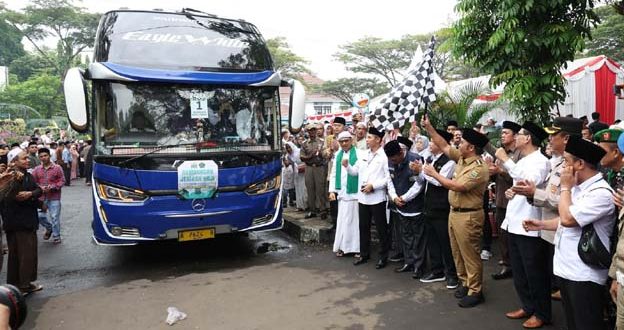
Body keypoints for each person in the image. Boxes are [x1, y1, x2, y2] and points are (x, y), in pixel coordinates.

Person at [524, 136, 614, 330]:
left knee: (586, 324)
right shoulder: (578, 188)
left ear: (580, 164)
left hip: (584, 274)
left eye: (566, 161)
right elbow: (567, 220)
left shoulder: (600, 193)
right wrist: (541, 224)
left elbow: (568, 219)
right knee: (573, 324)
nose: (563, 167)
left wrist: (565, 187)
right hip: (567, 269)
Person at [513, 117, 583, 303]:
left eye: (554, 135)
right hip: (553, 230)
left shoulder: (577, 164)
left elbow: (567, 202)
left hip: (569, 232)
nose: (549, 139)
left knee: (576, 292)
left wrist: (536, 192)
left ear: (566, 138)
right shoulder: (558, 162)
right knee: (560, 283)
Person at [421, 116, 490, 308]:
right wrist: (429, 128)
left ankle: (476, 290)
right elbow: (443, 145)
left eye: (463, 142)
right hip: (455, 213)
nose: (458, 143)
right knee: (458, 252)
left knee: (470, 254)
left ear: (471, 148)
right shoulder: (462, 158)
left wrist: (434, 174)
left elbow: (458, 186)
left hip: (469, 215)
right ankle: (465, 282)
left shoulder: (478, 168)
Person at [495, 122, 551, 328]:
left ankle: (542, 312)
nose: (516, 137)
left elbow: (529, 184)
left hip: (530, 225)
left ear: (528, 138)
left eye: (519, 134)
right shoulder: (525, 160)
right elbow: (518, 183)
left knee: (534, 272)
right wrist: (512, 190)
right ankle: (527, 306)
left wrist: (504, 160)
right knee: (519, 271)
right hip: (515, 222)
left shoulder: (540, 161)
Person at [419, 129, 459, 289]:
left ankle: (452, 274)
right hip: (429, 204)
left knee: (445, 242)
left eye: (434, 141)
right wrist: (420, 171)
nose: (431, 144)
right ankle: (437, 270)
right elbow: (427, 179)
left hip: (442, 206)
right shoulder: (431, 158)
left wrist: (426, 172)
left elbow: (439, 181)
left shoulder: (450, 160)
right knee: (432, 240)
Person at [0, 151, 44, 295]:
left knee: (19, 255)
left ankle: (18, 285)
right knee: (25, 255)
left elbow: (36, 189)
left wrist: (32, 194)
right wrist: (33, 195)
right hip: (19, 222)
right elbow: (16, 197)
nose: (27, 160)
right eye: (24, 158)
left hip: (21, 221)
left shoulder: (26, 175)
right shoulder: (12, 177)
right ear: (14, 161)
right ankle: (23, 286)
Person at [348, 127, 390, 268]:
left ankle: (383, 256)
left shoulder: (384, 157)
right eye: (367, 137)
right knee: (363, 227)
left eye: (370, 137)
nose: (367, 140)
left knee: (381, 228)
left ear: (378, 140)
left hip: (377, 197)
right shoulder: (364, 155)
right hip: (363, 198)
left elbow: (387, 178)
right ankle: (364, 254)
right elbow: (354, 172)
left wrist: (374, 185)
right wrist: (347, 166)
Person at [385, 139, 427, 278]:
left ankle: (419, 266)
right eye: (390, 159)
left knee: (418, 238)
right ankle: (409, 262)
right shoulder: (390, 161)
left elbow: (420, 184)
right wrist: (394, 197)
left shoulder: (415, 160)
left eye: (394, 159)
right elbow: (389, 180)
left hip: (415, 206)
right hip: (400, 205)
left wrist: (405, 198)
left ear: (401, 152)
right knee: (406, 236)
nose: (393, 162)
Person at [489, 121, 522, 280]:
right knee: (503, 236)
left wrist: (500, 171)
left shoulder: (519, 155)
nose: (502, 135)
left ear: (515, 136)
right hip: (501, 200)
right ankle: (507, 265)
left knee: (514, 237)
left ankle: (517, 267)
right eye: (501, 133)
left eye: (505, 133)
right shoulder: (501, 152)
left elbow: (517, 178)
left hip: (515, 202)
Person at [329, 131, 361, 257]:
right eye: (341, 141)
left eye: (346, 141)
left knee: (354, 221)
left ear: (351, 140)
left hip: (354, 194)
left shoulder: (359, 153)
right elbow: (333, 174)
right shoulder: (337, 155)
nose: (344, 143)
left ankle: (356, 248)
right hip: (342, 193)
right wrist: (332, 190)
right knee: (342, 221)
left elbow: (358, 172)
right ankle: (342, 246)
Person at [32, 148, 65, 244]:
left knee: (55, 217)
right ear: (39, 158)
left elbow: (62, 180)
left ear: (49, 156)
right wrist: (40, 187)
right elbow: (34, 182)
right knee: (39, 216)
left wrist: (53, 187)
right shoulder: (37, 169)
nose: (43, 158)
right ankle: (49, 227)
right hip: (41, 197)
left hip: (54, 197)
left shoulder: (57, 168)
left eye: (45, 156)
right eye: (41, 156)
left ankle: (56, 236)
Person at [299, 124, 328, 219]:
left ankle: (323, 209)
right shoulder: (304, 143)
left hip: (319, 167)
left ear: (316, 131)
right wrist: (309, 156)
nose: (312, 132)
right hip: (309, 167)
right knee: (310, 189)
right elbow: (302, 157)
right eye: (310, 130)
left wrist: (321, 154)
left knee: (321, 189)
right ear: (308, 132)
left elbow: (325, 155)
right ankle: (312, 210)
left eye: (314, 130)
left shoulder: (322, 142)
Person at [285, 142, 307, 211]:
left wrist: (303, 167)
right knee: (298, 189)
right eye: (287, 148)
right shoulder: (288, 156)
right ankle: (300, 205)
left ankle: (306, 205)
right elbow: (290, 164)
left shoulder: (299, 151)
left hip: (304, 172)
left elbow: (306, 160)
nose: (288, 149)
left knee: (304, 189)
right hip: (297, 173)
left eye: (289, 147)